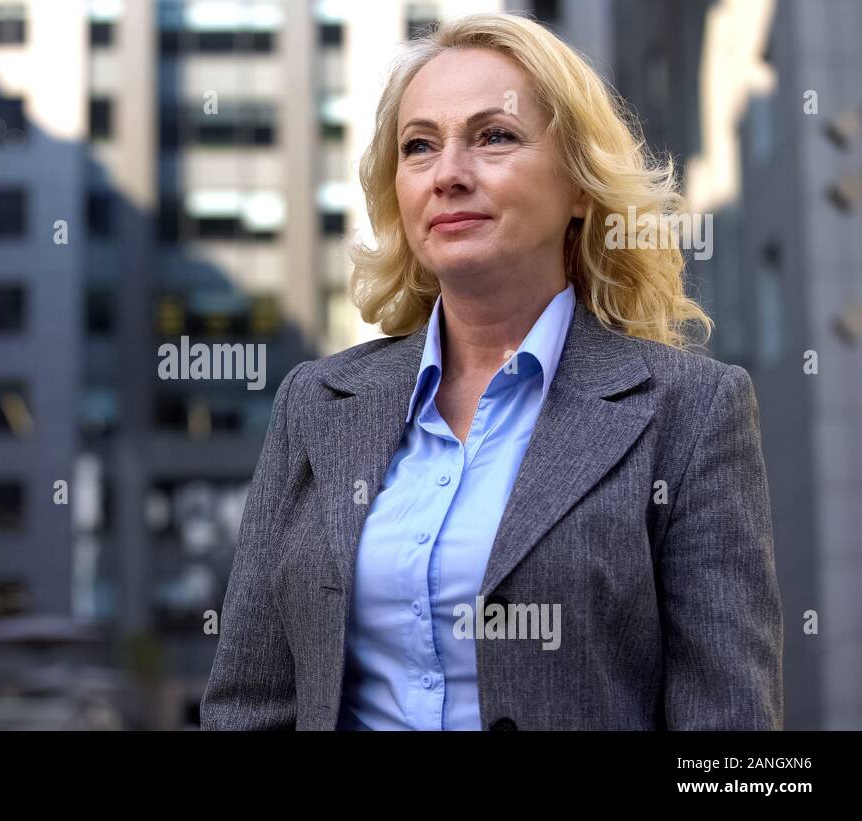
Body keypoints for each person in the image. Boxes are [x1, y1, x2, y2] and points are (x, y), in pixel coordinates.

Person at [200, 12, 782, 731]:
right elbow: (247, 706)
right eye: (419, 147)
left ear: (579, 184)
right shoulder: (315, 403)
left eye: (494, 136)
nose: (448, 174)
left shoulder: (691, 411)